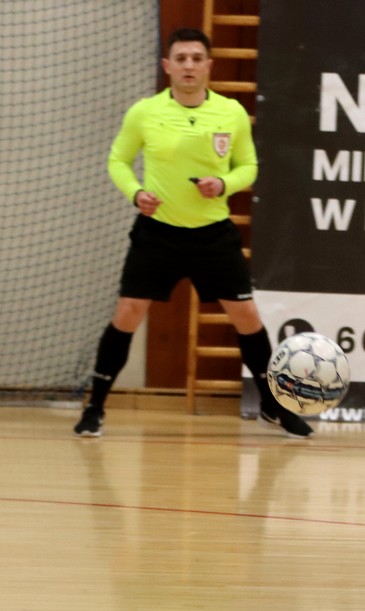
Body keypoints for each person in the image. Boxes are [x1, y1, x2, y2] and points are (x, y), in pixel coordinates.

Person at [74, 28, 312, 439]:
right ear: (167, 66)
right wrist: (137, 193)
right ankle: (95, 406)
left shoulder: (230, 113)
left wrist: (223, 185)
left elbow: (248, 167)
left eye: (196, 58)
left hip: (213, 235)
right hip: (157, 235)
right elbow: (118, 160)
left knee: (248, 318)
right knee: (127, 314)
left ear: (209, 66)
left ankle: (276, 407)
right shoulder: (144, 112)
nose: (188, 65)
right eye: (180, 58)